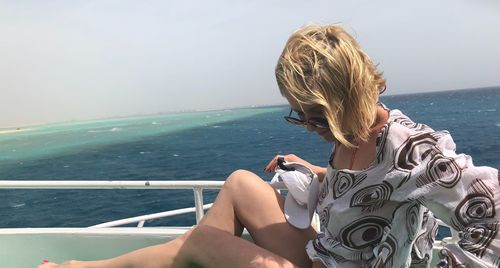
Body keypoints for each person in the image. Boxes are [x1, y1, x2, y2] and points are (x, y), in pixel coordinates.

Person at [39, 24, 499, 268]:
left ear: (348, 95)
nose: (309, 126)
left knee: (204, 240)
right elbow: (369, 187)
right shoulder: (352, 133)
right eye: (298, 113)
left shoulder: (412, 149)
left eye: (316, 115)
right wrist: (317, 172)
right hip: (325, 255)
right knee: (241, 183)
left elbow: (491, 211)